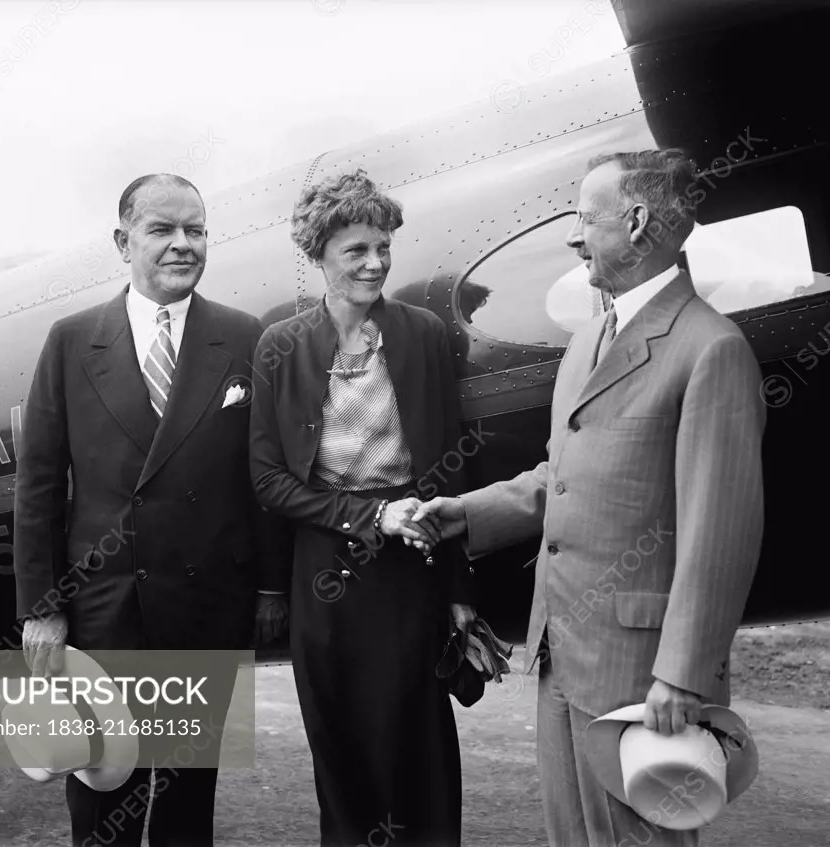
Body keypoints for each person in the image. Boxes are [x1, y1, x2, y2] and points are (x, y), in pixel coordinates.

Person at [413, 149, 767, 847]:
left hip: (642, 669)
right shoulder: (588, 340)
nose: (574, 236)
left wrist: (683, 674)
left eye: (584, 216)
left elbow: (718, 532)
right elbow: (562, 475)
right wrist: (465, 512)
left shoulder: (711, 349)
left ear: (636, 223)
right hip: (562, 649)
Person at [14, 173, 290, 847]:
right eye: (162, 230)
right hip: (106, 610)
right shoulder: (72, 342)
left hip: (206, 611)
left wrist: (271, 585)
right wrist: (42, 607)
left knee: (188, 807)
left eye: (195, 230)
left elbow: (260, 475)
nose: (181, 244)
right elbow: (40, 485)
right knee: (103, 797)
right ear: (123, 240)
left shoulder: (241, 335)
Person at [249, 168, 476, 847]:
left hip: (413, 566)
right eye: (356, 251)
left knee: (421, 750)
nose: (375, 263)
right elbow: (267, 479)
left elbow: (452, 461)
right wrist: (369, 517)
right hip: (325, 571)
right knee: (342, 752)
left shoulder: (424, 333)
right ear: (318, 255)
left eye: (383, 247)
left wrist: (461, 589)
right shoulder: (279, 347)